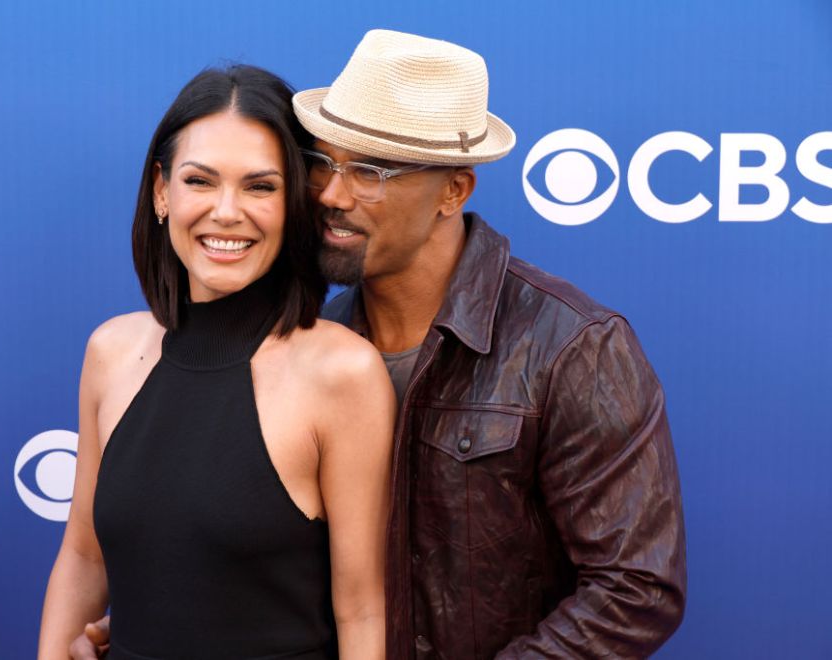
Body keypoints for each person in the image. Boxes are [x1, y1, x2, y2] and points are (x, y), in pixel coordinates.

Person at [73, 30, 687, 659]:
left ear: (454, 190)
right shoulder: (314, 341)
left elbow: (637, 586)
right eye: (322, 165)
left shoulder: (570, 345)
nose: (333, 197)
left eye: (371, 172)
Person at [39, 65, 394, 660]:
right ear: (161, 191)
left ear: (295, 206)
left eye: (260, 187)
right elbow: (82, 556)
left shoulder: (343, 374)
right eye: (200, 181)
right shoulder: (111, 352)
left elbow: (361, 609)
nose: (227, 212)